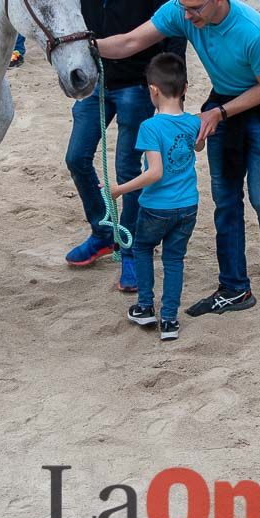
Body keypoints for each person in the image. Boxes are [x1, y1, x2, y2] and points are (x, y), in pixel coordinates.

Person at [96, 0, 260, 318]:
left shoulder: (255, 32)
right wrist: (85, 46)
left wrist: (219, 113)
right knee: (225, 197)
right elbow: (131, 40)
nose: (187, 16)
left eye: (194, 8)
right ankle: (235, 287)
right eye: (184, 7)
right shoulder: (183, 10)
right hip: (222, 100)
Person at [65, 0, 178, 292]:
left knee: (129, 171)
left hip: (135, 83)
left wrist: (168, 87)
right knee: (77, 158)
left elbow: (172, 27)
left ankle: (130, 249)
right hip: (94, 81)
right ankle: (103, 231)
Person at [113, 52, 200, 341]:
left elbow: (155, 173)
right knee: (174, 260)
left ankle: (146, 306)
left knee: (142, 249)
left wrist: (119, 189)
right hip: (188, 205)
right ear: (185, 88)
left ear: (153, 90)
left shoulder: (150, 127)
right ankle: (170, 320)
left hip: (156, 207)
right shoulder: (193, 123)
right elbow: (197, 148)